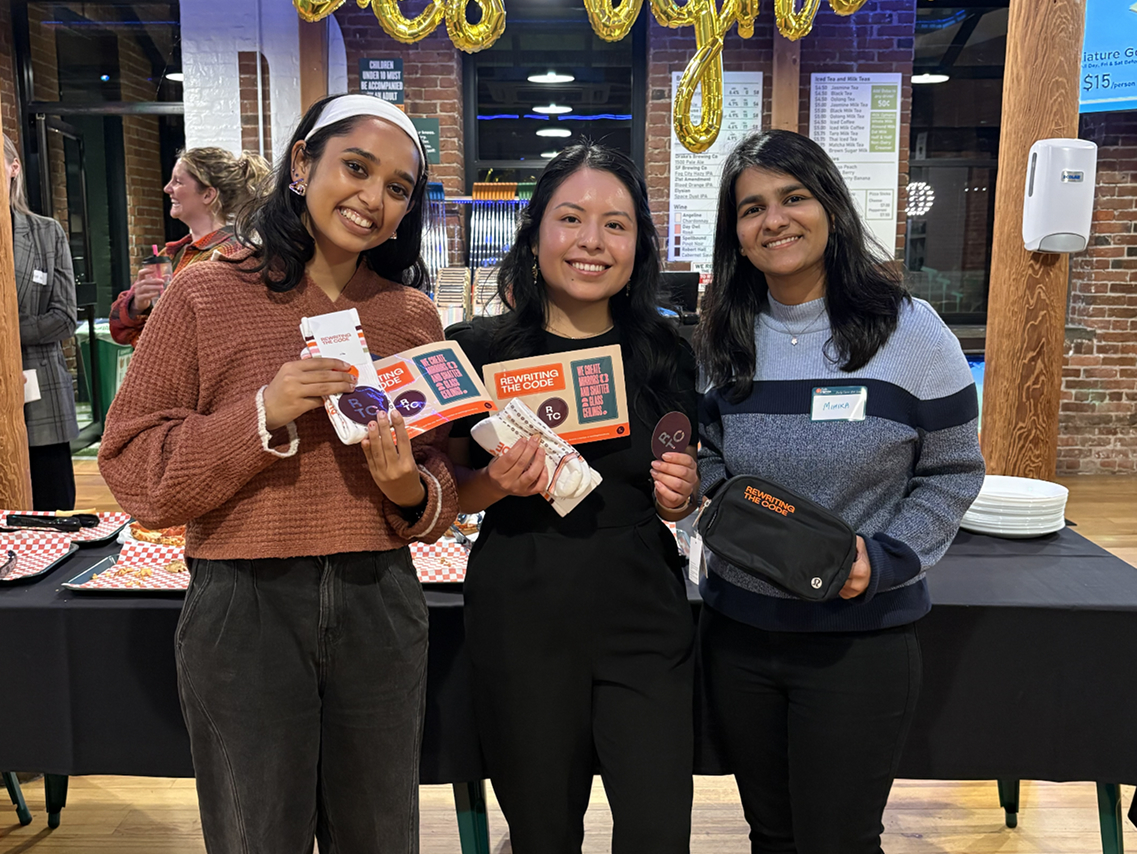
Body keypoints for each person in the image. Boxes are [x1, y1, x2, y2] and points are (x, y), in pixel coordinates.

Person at [98, 94, 458, 853]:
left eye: (398, 188)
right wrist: (261, 413)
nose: (372, 198)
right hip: (243, 604)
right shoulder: (204, 293)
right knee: (256, 834)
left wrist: (411, 493)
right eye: (355, 168)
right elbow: (132, 468)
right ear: (301, 163)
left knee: (381, 833)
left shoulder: (410, 317)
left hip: (381, 601)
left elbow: (441, 479)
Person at [694, 128, 986, 854]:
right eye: (751, 207)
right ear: (735, 231)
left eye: (792, 197)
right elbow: (705, 455)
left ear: (829, 204)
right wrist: (699, 493)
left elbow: (952, 472)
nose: (774, 220)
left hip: (858, 642)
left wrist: (885, 559)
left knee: (839, 840)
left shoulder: (909, 330)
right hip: (737, 635)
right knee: (770, 834)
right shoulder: (721, 333)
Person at [446, 142, 700, 854]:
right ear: (535, 236)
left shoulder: (664, 351)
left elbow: (680, 481)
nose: (592, 241)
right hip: (520, 618)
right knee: (542, 834)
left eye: (615, 224)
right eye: (570, 218)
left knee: (656, 833)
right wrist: (492, 483)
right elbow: (449, 496)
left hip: (642, 620)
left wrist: (682, 496)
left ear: (638, 245)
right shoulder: (478, 351)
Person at [108, 146, 270, 346]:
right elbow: (119, 331)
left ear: (208, 195)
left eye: (178, 181)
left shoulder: (234, 255)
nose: (167, 188)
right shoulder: (170, 255)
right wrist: (136, 305)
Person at [4, 133, 79, 511]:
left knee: (53, 507)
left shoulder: (46, 233)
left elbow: (65, 318)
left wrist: (7, 336)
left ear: (13, 168)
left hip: (40, 397)